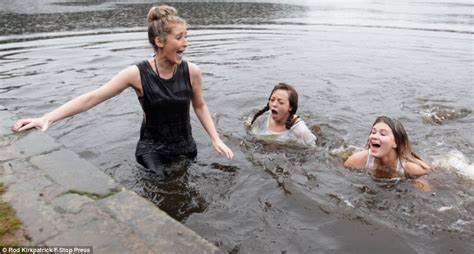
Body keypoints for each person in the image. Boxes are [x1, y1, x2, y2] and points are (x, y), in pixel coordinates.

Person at [12, 5, 233, 176]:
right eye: (179, 37)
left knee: (185, 191)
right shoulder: (136, 74)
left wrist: (216, 139)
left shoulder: (192, 71)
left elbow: (200, 105)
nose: (186, 43)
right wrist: (47, 118)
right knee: (162, 185)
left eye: (187, 36)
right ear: (159, 41)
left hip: (185, 146)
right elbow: (93, 97)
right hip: (152, 150)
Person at [344, 116, 430, 179]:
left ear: (395, 142)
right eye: (373, 132)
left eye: (383, 134)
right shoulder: (357, 160)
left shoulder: (412, 168)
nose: (374, 136)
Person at [248, 83, 316, 147]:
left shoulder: (301, 131)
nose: (274, 104)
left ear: (290, 107)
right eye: (272, 100)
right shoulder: (261, 118)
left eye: (280, 102)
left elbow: (314, 149)